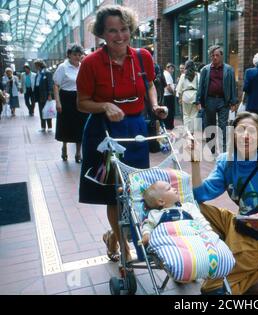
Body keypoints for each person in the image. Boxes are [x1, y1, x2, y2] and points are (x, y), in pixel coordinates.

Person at [76, 5, 168, 263]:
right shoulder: (91, 63)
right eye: (112, 31)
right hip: (104, 133)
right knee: (115, 194)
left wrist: (155, 104)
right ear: (102, 34)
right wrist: (104, 105)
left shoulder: (142, 57)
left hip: (135, 130)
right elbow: (82, 102)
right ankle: (125, 248)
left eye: (124, 29)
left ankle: (113, 236)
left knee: (136, 190)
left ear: (131, 29)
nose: (120, 36)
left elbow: (149, 84)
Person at [191, 111, 258, 295]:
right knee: (191, 208)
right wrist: (195, 162)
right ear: (233, 134)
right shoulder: (226, 161)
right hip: (236, 222)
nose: (246, 135)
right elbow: (199, 195)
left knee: (211, 289)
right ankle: (238, 264)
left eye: (253, 131)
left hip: (257, 240)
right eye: (242, 130)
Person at [141, 180, 212, 246]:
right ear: (161, 201)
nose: (174, 188)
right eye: (169, 188)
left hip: (192, 238)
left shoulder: (188, 207)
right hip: (169, 242)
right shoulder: (155, 214)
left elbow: (200, 220)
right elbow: (148, 225)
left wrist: (208, 231)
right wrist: (146, 234)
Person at [196, 45, 238, 153]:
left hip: (223, 101)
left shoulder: (229, 69)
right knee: (210, 125)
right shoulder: (205, 69)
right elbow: (201, 86)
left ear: (221, 56)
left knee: (223, 125)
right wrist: (198, 100)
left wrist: (234, 102)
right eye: (213, 55)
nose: (215, 57)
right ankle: (212, 148)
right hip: (209, 101)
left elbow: (233, 86)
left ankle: (224, 150)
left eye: (217, 55)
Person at [53, 44, 88, 163]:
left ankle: (78, 153)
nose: (77, 57)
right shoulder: (63, 67)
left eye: (79, 55)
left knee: (80, 125)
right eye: (74, 54)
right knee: (66, 125)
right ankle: (64, 147)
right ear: (69, 55)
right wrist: (58, 102)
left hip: (80, 98)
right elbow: (56, 85)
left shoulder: (83, 67)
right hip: (66, 98)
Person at [176, 60, 201, 133]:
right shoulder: (197, 75)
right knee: (194, 115)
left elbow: (179, 89)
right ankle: (192, 131)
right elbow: (200, 87)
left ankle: (187, 131)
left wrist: (180, 99)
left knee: (186, 115)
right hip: (194, 95)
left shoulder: (183, 75)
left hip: (185, 96)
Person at [34, 59, 54, 131]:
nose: (35, 66)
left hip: (45, 95)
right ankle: (43, 127)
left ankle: (50, 127)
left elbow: (50, 84)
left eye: (36, 65)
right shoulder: (38, 73)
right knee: (41, 110)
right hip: (39, 94)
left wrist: (49, 94)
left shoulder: (47, 72)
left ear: (40, 65)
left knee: (47, 110)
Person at [163, 63, 176, 130]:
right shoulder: (167, 75)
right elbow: (168, 87)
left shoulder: (165, 74)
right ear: (167, 68)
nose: (172, 70)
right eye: (171, 69)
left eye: (173, 69)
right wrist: (173, 93)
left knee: (168, 111)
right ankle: (169, 126)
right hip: (168, 95)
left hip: (166, 95)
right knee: (170, 111)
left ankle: (168, 125)